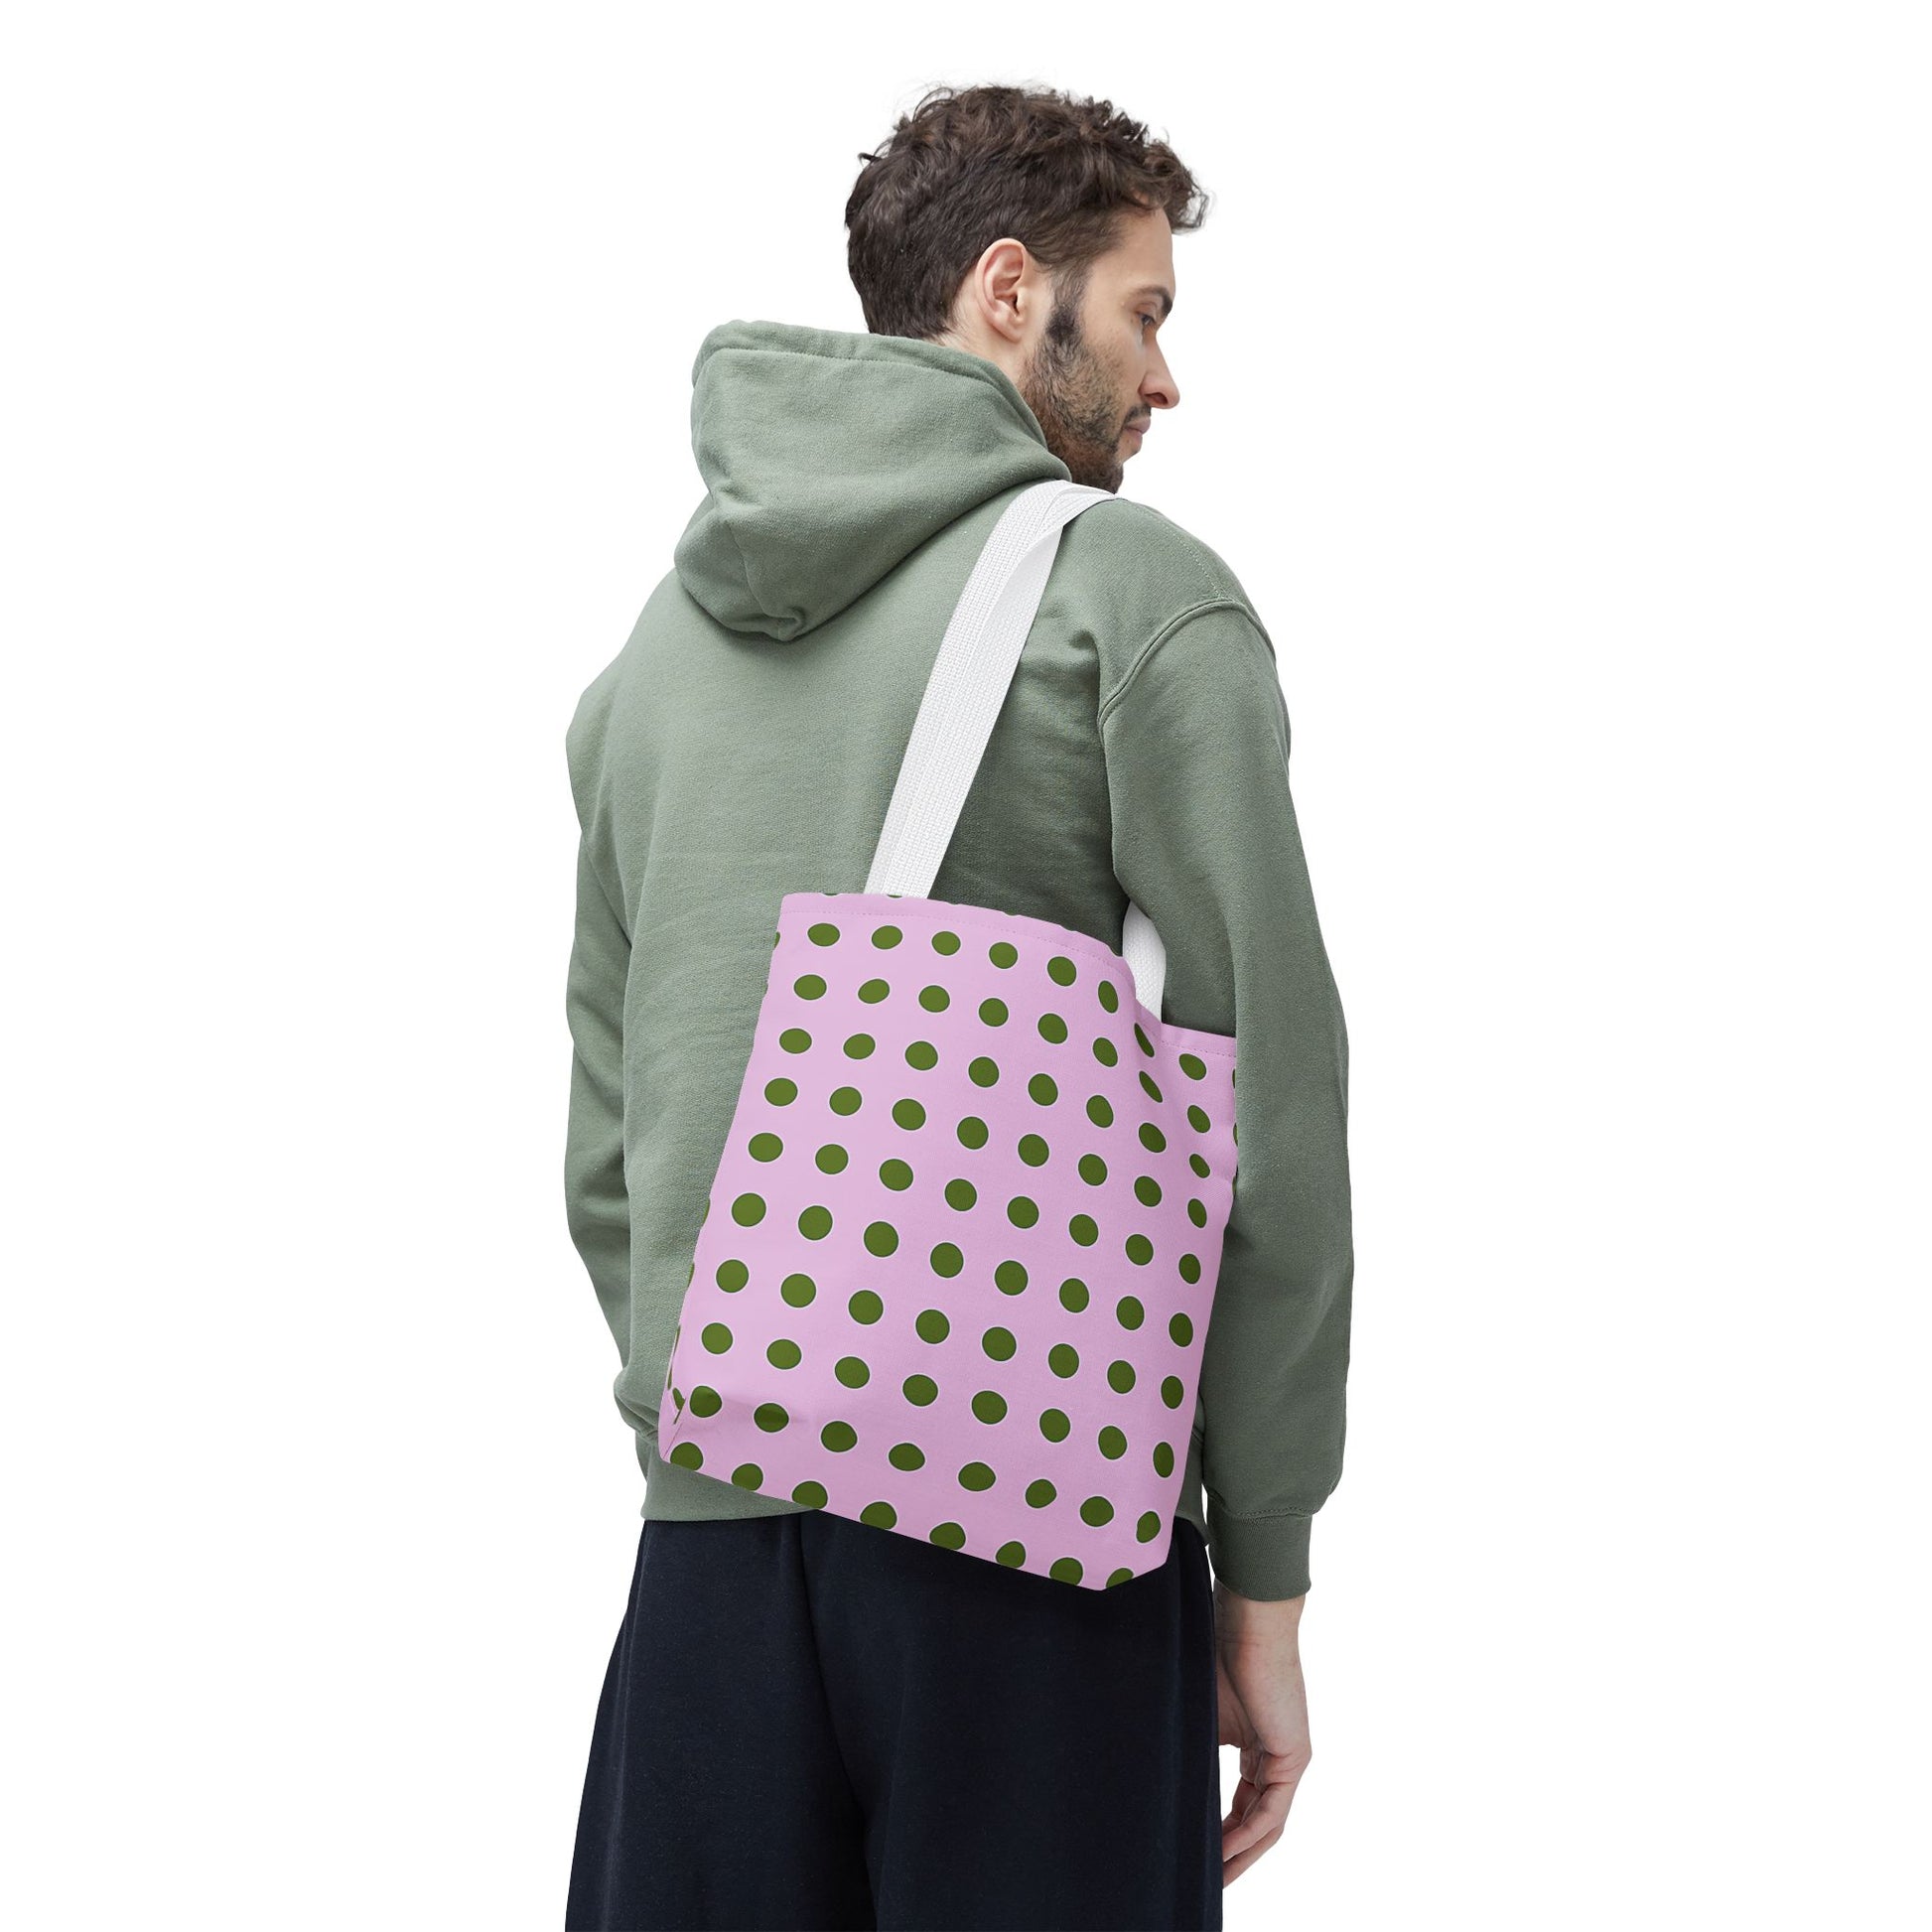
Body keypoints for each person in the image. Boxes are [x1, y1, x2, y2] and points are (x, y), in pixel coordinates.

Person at [560, 81, 1354, 1931]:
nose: (1164, 380)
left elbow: (609, 1134)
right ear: (1010, 290)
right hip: (1033, 1538)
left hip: (707, 1555)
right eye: (1143, 312)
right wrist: (1265, 1574)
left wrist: (722, 1415)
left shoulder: (648, 660)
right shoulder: (1129, 595)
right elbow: (1270, 1122)